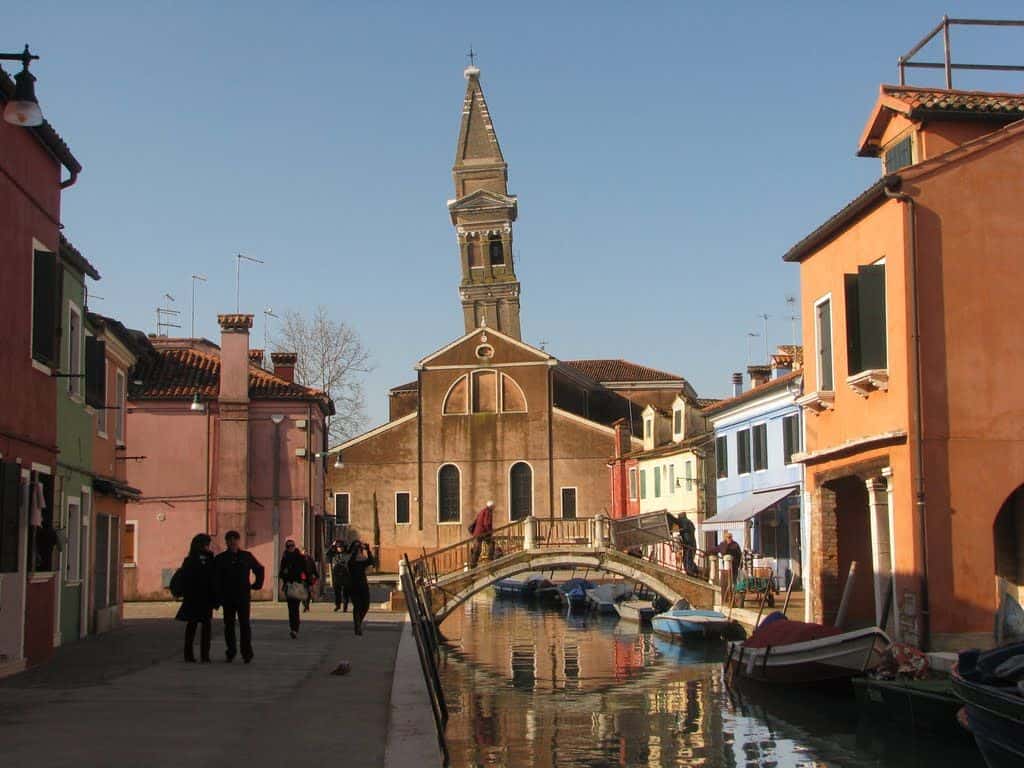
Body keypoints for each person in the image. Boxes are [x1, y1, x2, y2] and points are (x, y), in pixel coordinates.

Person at [214, 530, 264, 664]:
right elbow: (216, 579)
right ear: (226, 542)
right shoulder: (220, 559)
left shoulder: (246, 556)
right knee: (229, 625)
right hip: (228, 597)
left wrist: (256, 585)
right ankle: (231, 652)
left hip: (243, 596)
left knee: (244, 625)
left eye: (234, 539)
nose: (232, 542)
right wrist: (217, 597)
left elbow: (259, 569)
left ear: (238, 541)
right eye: (230, 540)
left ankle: (246, 653)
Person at [175, 533, 217, 663]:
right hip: (202, 597)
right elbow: (212, 578)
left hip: (195, 597)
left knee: (193, 627)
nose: (208, 546)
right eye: (207, 544)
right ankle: (203, 655)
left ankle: (191, 655)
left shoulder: (190, 559)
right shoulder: (207, 559)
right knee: (203, 627)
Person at [279, 538, 309, 638]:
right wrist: (284, 573)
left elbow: (305, 571)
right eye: (288, 546)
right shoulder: (284, 558)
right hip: (288, 585)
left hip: (297, 585)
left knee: (295, 608)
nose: (290, 548)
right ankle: (293, 628)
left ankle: (295, 629)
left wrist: (305, 582)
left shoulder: (300, 557)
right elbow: (281, 572)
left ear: (294, 546)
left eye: (292, 546)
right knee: (291, 609)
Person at [347, 539, 376, 636]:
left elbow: (371, 561)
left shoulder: (361, 560)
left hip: (363, 586)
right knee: (357, 606)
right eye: (357, 548)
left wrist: (368, 550)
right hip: (353, 586)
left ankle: (358, 622)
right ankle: (357, 626)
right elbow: (351, 562)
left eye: (359, 548)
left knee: (366, 606)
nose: (359, 550)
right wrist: (355, 549)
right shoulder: (349, 559)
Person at [467, 500, 495, 568]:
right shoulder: (488, 512)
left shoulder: (482, 511)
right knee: (491, 543)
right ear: (491, 507)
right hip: (483, 533)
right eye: (493, 507)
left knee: (477, 549)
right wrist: (489, 532)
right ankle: (490, 559)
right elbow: (486, 523)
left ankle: (473, 564)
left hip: (477, 532)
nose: (494, 508)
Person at [327, 538, 351, 612]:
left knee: (345, 592)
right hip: (336, 575)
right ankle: (337, 605)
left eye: (341, 547)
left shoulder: (347, 554)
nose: (340, 548)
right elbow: (328, 554)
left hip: (346, 575)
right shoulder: (334, 554)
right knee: (337, 592)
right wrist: (332, 545)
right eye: (338, 547)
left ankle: (345, 606)